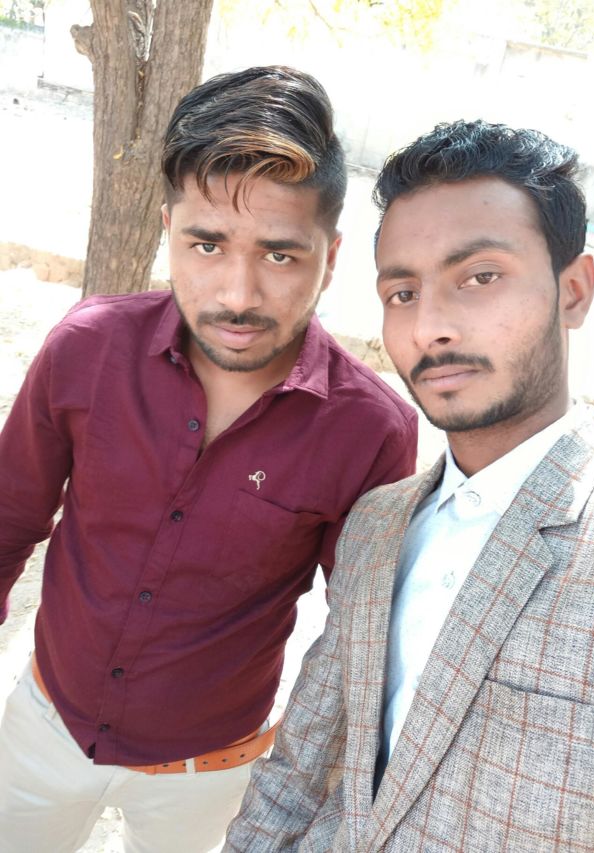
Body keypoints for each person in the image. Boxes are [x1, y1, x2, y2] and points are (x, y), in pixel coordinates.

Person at [0, 66, 418, 853]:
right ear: (169, 230)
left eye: (280, 255)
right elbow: (8, 516)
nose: (237, 293)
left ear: (330, 257)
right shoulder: (87, 348)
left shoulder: (371, 431)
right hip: (43, 730)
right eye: (207, 244)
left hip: (212, 774)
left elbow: (363, 635)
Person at [224, 119, 594, 851]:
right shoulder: (378, 524)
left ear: (573, 291)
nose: (431, 327)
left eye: (480, 277)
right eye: (403, 292)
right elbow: (299, 768)